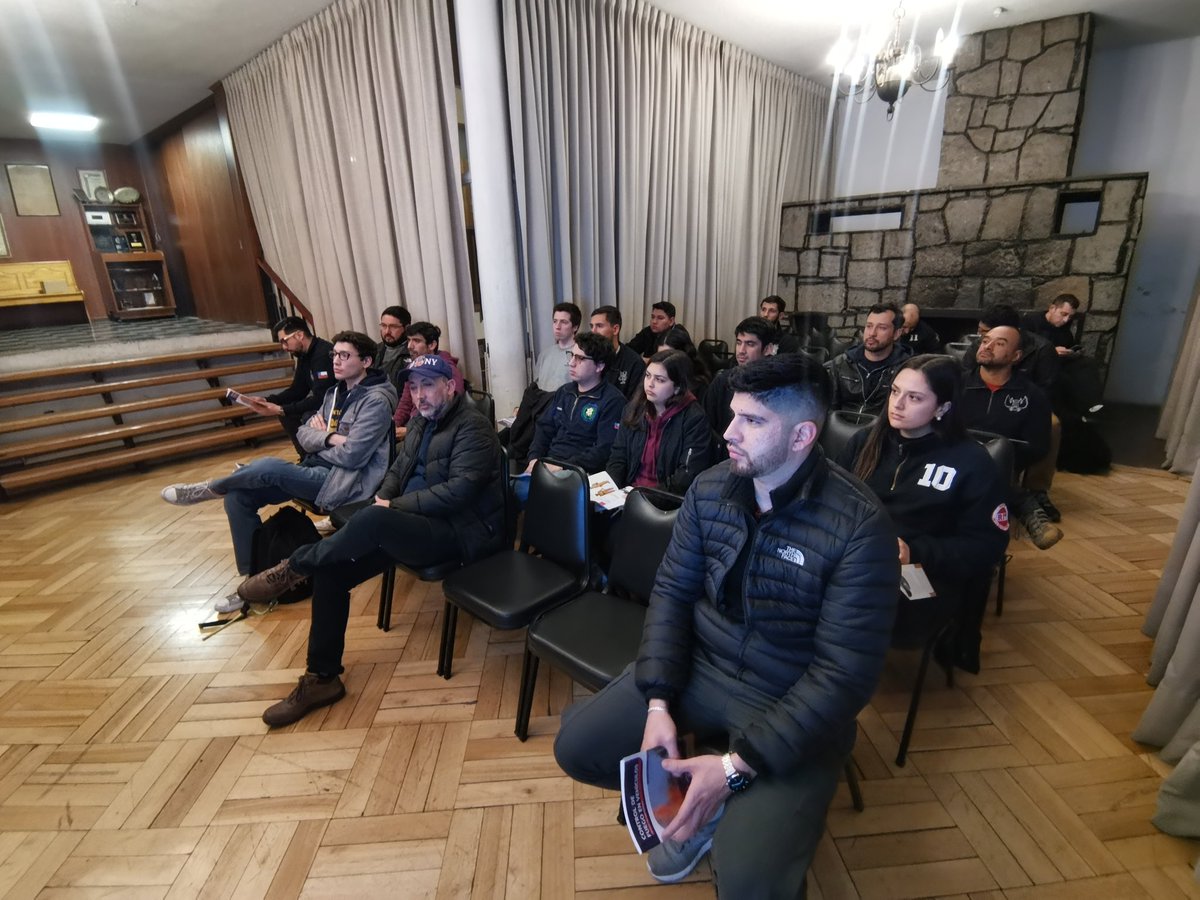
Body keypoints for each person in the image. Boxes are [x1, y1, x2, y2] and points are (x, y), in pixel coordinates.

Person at [553, 354, 899, 895]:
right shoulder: (712, 488)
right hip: (702, 668)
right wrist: (658, 702)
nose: (729, 432)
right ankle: (710, 784)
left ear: (803, 435)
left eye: (753, 421)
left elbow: (844, 676)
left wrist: (736, 768)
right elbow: (672, 593)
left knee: (747, 885)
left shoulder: (860, 528)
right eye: (733, 414)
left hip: (790, 695)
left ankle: (719, 798)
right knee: (576, 747)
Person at [235, 353, 507, 726]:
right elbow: (398, 468)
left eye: (428, 385)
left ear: (450, 385)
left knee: (374, 520)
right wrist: (387, 496)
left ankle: (293, 567)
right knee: (332, 570)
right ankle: (322, 679)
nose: (420, 394)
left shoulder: (473, 428)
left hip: (461, 531)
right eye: (414, 386)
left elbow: (457, 494)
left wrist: (390, 505)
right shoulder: (419, 421)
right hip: (410, 520)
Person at [160, 330, 398, 581]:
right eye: (334, 354)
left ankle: (210, 488)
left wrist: (322, 440)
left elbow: (353, 456)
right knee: (237, 498)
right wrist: (331, 438)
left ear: (366, 362)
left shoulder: (376, 401)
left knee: (269, 467)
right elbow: (303, 435)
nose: (336, 361)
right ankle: (254, 579)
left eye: (344, 355)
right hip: (316, 466)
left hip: (343, 481)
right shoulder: (334, 393)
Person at [839, 355, 1010, 674]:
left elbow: (987, 545)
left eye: (914, 397)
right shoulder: (866, 442)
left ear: (943, 408)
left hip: (920, 572)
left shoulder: (971, 462)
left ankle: (836, 681)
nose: (897, 404)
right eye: (894, 392)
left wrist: (913, 551)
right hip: (855, 559)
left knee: (849, 607)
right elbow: (833, 500)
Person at [959, 324, 1063, 550]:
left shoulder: (1033, 396)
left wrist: (999, 455)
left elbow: (1037, 447)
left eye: (999, 343)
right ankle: (1026, 506)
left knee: (986, 468)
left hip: (1001, 465)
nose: (987, 346)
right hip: (949, 458)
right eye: (986, 340)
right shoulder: (956, 383)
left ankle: (982, 555)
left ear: (1016, 356)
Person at [521, 332, 624, 498]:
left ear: (599, 366)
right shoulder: (565, 392)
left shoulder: (612, 400)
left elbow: (604, 449)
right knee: (506, 487)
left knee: (529, 493)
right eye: (572, 356)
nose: (571, 363)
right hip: (550, 463)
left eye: (580, 359)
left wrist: (563, 466)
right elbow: (544, 428)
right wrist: (534, 458)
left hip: (580, 471)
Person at [606, 349, 713, 495]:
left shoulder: (694, 419)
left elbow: (686, 476)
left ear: (677, 387)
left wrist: (643, 498)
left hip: (666, 500)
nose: (650, 384)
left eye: (660, 380)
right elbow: (618, 457)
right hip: (629, 494)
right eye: (648, 376)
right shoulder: (633, 408)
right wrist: (611, 492)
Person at [238, 317, 335, 457]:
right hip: (322, 403)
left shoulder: (322, 354)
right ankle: (306, 457)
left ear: (299, 335)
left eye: (285, 341)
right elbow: (298, 390)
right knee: (287, 413)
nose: (284, 347)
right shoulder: (304, 355)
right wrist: (269, 401)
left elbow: (322, 398)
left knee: (301, 414)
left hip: (334, 405)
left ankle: (315, 458)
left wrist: (283, 409)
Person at [506, 302, 582, 465]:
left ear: (575, 327)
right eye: (555, 321)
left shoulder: (578, 356)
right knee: (507, 438)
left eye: (564, 322)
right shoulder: (546, 354)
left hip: (558, 413)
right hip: (538, 408)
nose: (557, 326)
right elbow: (536, 387)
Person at [825, 302, 911, 415]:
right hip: (842, 427)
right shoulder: (841, 364)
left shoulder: (905, 370)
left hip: (879, 429)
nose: (872, 333)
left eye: (882, 328)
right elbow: (830, 408)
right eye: (869, 326)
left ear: (896, 333)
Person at [703, 316, 779, 441]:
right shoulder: (722, 381)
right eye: (739, 343)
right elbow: (706, 425)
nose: (741, 351)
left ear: (767, 349)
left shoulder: (777, 386)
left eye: (750, 344)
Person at [392, 322, 464, 439]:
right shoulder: (411, 369)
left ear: (432, 345)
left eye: (416, 340)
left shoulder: (448, 369)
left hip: (435, 432)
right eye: (409, 340)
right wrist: (393, 426)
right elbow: (405, 404)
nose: (410, 346)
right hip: (414, 428)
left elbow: (451, 409)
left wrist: (410, 431)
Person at [590, 305, 646, 401]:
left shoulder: (634, 362)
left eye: (599, 326)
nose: (593, 331)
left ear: (615, 329)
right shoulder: (588, 357)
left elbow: (634, 403)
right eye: (591, 326)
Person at [375, 305, 412, 389]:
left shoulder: (412, 352)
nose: (387, 331)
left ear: (406, 328)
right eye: (384, 326)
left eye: (393, 327)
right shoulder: (373, 350)